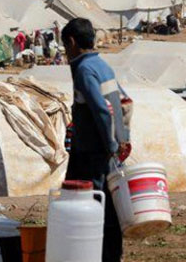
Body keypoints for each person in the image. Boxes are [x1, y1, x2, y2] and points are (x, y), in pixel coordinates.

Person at [62, 18, 131, 262]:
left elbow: (102, 110)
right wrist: (123, 138)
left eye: (65, 47)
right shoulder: (103, 66)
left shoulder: (83, 70)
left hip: (93, 151)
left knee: (88, 204)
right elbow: (124, 103)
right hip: (107, 148)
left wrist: (111, 145)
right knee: (109, 204)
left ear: (71, 42)